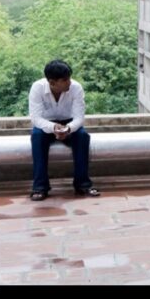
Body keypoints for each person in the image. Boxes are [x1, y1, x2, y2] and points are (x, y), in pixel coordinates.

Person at [28, 60, 99, 201]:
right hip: (45, 124)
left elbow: (79, 118)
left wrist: (68, 129)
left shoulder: (76, 88)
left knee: (83, 136)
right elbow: (35, 118)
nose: (69, 82)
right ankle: (40, 187)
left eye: (69, 78)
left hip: (70, 123)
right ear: (52, 82)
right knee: (36, 136)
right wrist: (53, 127)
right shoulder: (37, 88)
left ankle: (83, 184)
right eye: (65, 80)